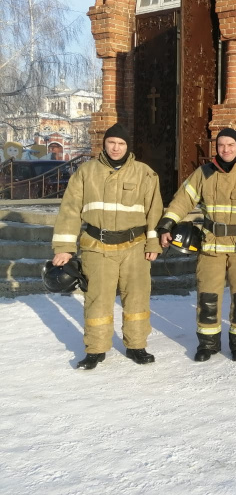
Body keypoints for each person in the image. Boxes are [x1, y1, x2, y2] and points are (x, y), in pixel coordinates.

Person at [51, 123, 163, 369]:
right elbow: (70, 210)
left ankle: (136, 346)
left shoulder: (144, 173)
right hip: (97, 245)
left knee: (137, 298)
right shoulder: (86, 172)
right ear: (104, 144)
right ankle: (95, 349)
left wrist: (153, 241)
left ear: (127, 147)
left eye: (121, 144)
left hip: (135, 246)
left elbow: (155, 211)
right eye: (111, 142)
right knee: (97, 300)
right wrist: (64, 246)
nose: (116, 147)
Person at [157, 128, 236, 362]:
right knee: (207, 297)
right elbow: (183, 200)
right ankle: (208, 344)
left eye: (230, 145)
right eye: (221, 145)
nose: (225, 150)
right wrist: (167, 224)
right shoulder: (203, 173)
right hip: (211, 247)